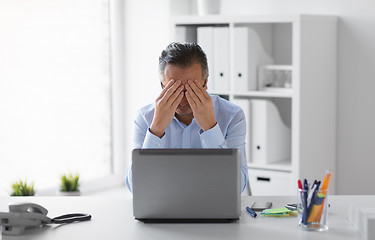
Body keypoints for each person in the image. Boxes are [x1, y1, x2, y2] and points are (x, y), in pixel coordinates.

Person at [126, 42, 248, 193]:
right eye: (173, 90)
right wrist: (156, 129)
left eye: (191, 90)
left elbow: (237, 187)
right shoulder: (145, 118)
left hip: (213, 211)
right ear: (162, 86)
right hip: (162, 211)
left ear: (205, 83)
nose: (182, 101)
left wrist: (210, 128)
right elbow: (135, 187)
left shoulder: (232, 116)